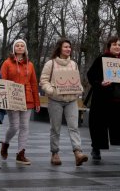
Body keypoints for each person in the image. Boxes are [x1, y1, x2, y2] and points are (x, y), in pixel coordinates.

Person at [87, 36, 120, 164]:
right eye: (114, 44)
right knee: (99, 126)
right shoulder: (101, 60)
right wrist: (100, 83)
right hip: (103, 101)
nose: (117, 47)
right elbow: (91, 76)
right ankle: (96, 149)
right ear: (109, 47)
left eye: (119, 45)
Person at [40, 38, 88, 166]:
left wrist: (80, 89)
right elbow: (43, 80)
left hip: (71, 100)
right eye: (66, 47)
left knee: (74, 127)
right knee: (55, 128)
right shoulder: (50, 63)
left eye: (70, 47)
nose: (68, 49)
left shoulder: (74, 64)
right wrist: (50, 91)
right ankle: (55, 153)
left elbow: (76, 80)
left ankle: (78, 153)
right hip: (55, 100)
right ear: (59, 48)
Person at [0, 39, 40, 165]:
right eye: (17, 45)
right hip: (13, 98)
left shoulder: (30, 65)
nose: (20, 47)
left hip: (27, 98)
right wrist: (4, 98)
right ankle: (5, 143)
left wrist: (37, 102)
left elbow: (33, 83)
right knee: (14, 126)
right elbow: (3, 81)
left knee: (25, 127)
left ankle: (20, 153)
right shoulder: (7, 63)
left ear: (25, 48)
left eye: (22, 45)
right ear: (14, 48)